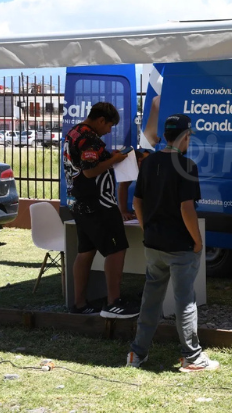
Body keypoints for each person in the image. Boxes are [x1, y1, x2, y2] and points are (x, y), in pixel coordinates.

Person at [127, 114, 219, 372]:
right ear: (185, 136)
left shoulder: (148, 162)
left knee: (150, 300)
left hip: (153, 244)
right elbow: (186, 208)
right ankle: (192, 357)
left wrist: (147, 229)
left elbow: (137, 202)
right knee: (185, 302)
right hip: (180, 247)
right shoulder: (187, 165)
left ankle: (137, 353)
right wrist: (198, 241)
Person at [63, 102, 139, 318]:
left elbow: (86, 162)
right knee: (116, 249)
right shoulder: (90, 138)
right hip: (98, 204)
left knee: (85, 251)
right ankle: (114, 303)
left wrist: (108, 156)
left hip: (78, 203)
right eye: (109, 126)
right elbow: (90, 171)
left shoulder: (74, 132)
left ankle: (79, 304)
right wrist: (114, 160)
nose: (109, 131)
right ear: (100, 120)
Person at [117, 148, 153, 221]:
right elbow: (123, 185)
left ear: (140, 162)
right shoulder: (132, 159)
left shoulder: (154, 164)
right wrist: (123, 211)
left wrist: (142, 210)